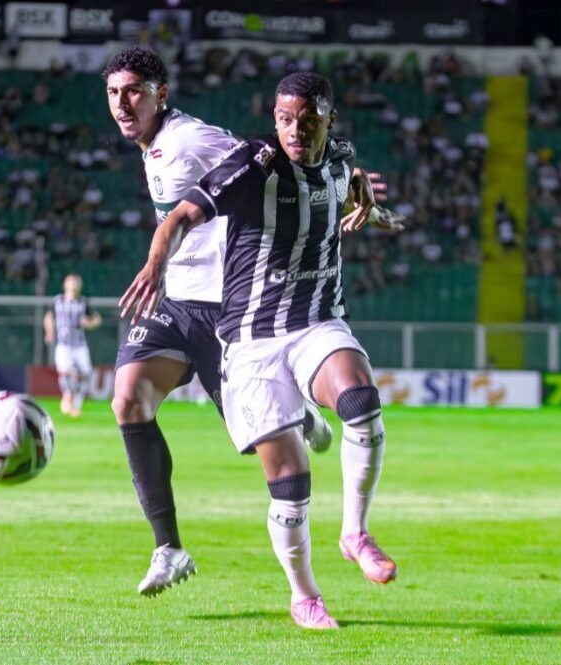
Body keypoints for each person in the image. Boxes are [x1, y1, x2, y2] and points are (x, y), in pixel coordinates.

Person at [121, 72, 397, 629]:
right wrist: (155, 263)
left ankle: (355, 532)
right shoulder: (251, 166)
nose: (298, 129)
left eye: (310, 118)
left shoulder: (340, 160)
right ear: (275, 119)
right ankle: (305, 595)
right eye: (287, 119)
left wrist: (366, 196)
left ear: (329, 119)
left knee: (361, 400)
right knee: (290, 483)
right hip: (249, 339)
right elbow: (179, 217)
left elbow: (346, 172)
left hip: (317, 320)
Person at [102, 47, 335, 598]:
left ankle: (296, 412)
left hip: (223, 309)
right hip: (174, 304)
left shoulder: (188, 138)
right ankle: (169, 549)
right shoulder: (154, 145)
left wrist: (339, 171)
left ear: (161, 93)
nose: (122, 102)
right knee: (127, 399)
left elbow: (272, 157)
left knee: (262, 444)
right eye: (113, 92)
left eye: (134, 90)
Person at [43, 273, 101, 418]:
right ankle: (68, 395)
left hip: (80, 344)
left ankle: (76, 405)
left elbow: (97, 319)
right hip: (63, 344)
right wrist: (49, 332)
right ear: (65, 285)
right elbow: (49, 317)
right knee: (65, 371)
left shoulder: (83, 302)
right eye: (71, 282)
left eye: (76, 283)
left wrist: (90, 323)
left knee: (85, 373)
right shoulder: (57, 301)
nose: (74, 285)